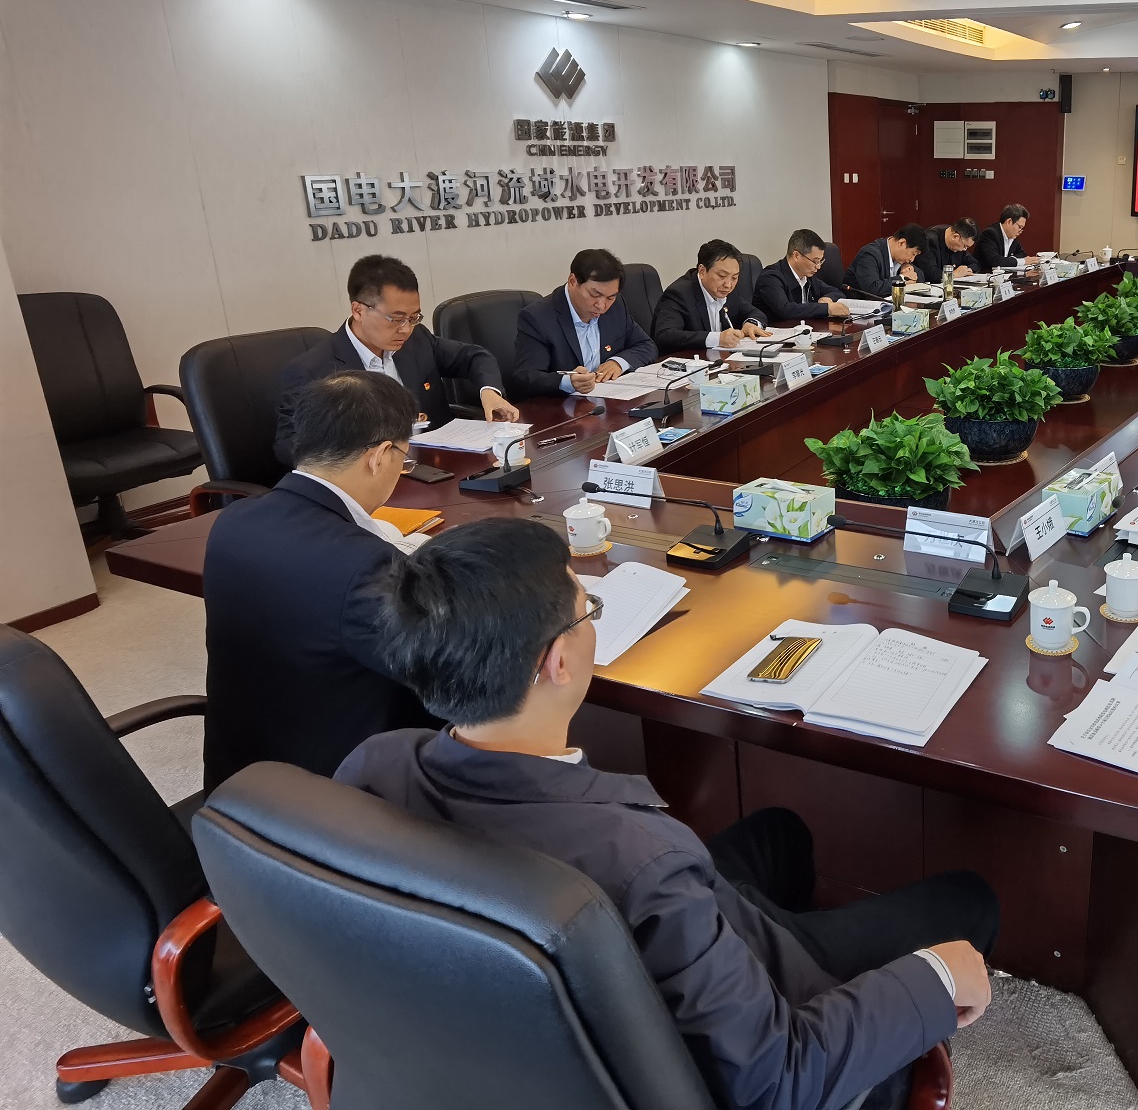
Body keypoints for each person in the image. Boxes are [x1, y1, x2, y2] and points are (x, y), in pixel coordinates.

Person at [338, 518, 999, 1110]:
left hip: (655, 956)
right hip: (770, 1028)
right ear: (557, 661)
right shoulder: (639, 861)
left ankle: (782, 937)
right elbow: (776, 1079)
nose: (592, 620)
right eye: (587, 607)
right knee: (969, 901)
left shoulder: (375, 765)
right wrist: (934, 980)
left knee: (781, 833)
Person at [204, 372, 436, 791]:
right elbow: (443, 671)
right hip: (329, 792)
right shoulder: (366, 564)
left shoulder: (233, 520)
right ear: (380, 456)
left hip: (241, 771)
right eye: (404, 456)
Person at [275, 254, 517, 466]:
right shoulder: (313, 370)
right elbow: (289, 445)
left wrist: (490, 392)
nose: (406, 329)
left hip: (438, 466)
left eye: (414, 317)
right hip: (370, 482)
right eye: (396, 319)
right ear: (358, 310)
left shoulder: (417, 340)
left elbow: (474, 357)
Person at [510, 248, 659, 398]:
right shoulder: (538, 317)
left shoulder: (617, 305)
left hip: (609, 401)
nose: (602, 306)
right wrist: (567, 382)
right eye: (595, 294)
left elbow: (646, 345)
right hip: (562, 405)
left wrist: (618, 363)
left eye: (610, 297)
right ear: (573, 282)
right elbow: (526, 377)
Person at [651, 239, 770, 353]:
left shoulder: (727, 290)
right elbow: (665, 335)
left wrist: (751, 324)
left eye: (734, 277)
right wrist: (717, 339)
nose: (728, 285)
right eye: (722, 276)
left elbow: (756, 313)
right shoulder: (679, 294)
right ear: (702, 271)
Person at [754, 229, 851, 323]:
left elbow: (836, 292)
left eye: (820, 261)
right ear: (796, 256)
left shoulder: (807, 276)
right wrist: (827, 308)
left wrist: (828, 298)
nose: (818, 266)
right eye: (815, 261)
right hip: (775, 331)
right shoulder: (770, 277)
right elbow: (786, 310)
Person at [848, 225, 925, 298]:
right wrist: (902, 279)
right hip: (860, 303)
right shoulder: (870, 254)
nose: (912, 259)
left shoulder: (900, 258)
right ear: (902, 243)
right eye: (913, 254)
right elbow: (872, 288)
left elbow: (921, 277)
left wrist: (910, 269)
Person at [974, 204, 1028, 271]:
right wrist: (1021, 261)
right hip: (985, 275)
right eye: (1019, 227)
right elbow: (994, 260)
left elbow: (1022, 254)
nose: (1020, 231)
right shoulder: (990, 234)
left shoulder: (1012, 236)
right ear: (1009, 221)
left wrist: (1007, 261)